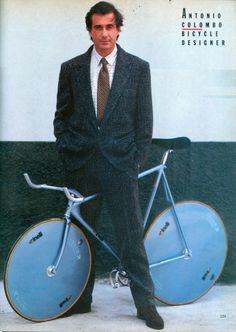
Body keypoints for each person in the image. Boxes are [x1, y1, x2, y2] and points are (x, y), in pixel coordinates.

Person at [53, 1, 164, 330]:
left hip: (120, 167)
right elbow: (61, 117)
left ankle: (145, 303)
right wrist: (68, 151)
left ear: (118, 29)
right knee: (81, 238)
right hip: (83, 165)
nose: (104, 33)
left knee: (132, 237)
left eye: (110, 26)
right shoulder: (71, 68)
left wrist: (135, 162)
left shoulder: (137, 68)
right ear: (90, 30)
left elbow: (145, 125)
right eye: (98, 27)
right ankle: (81, 300)